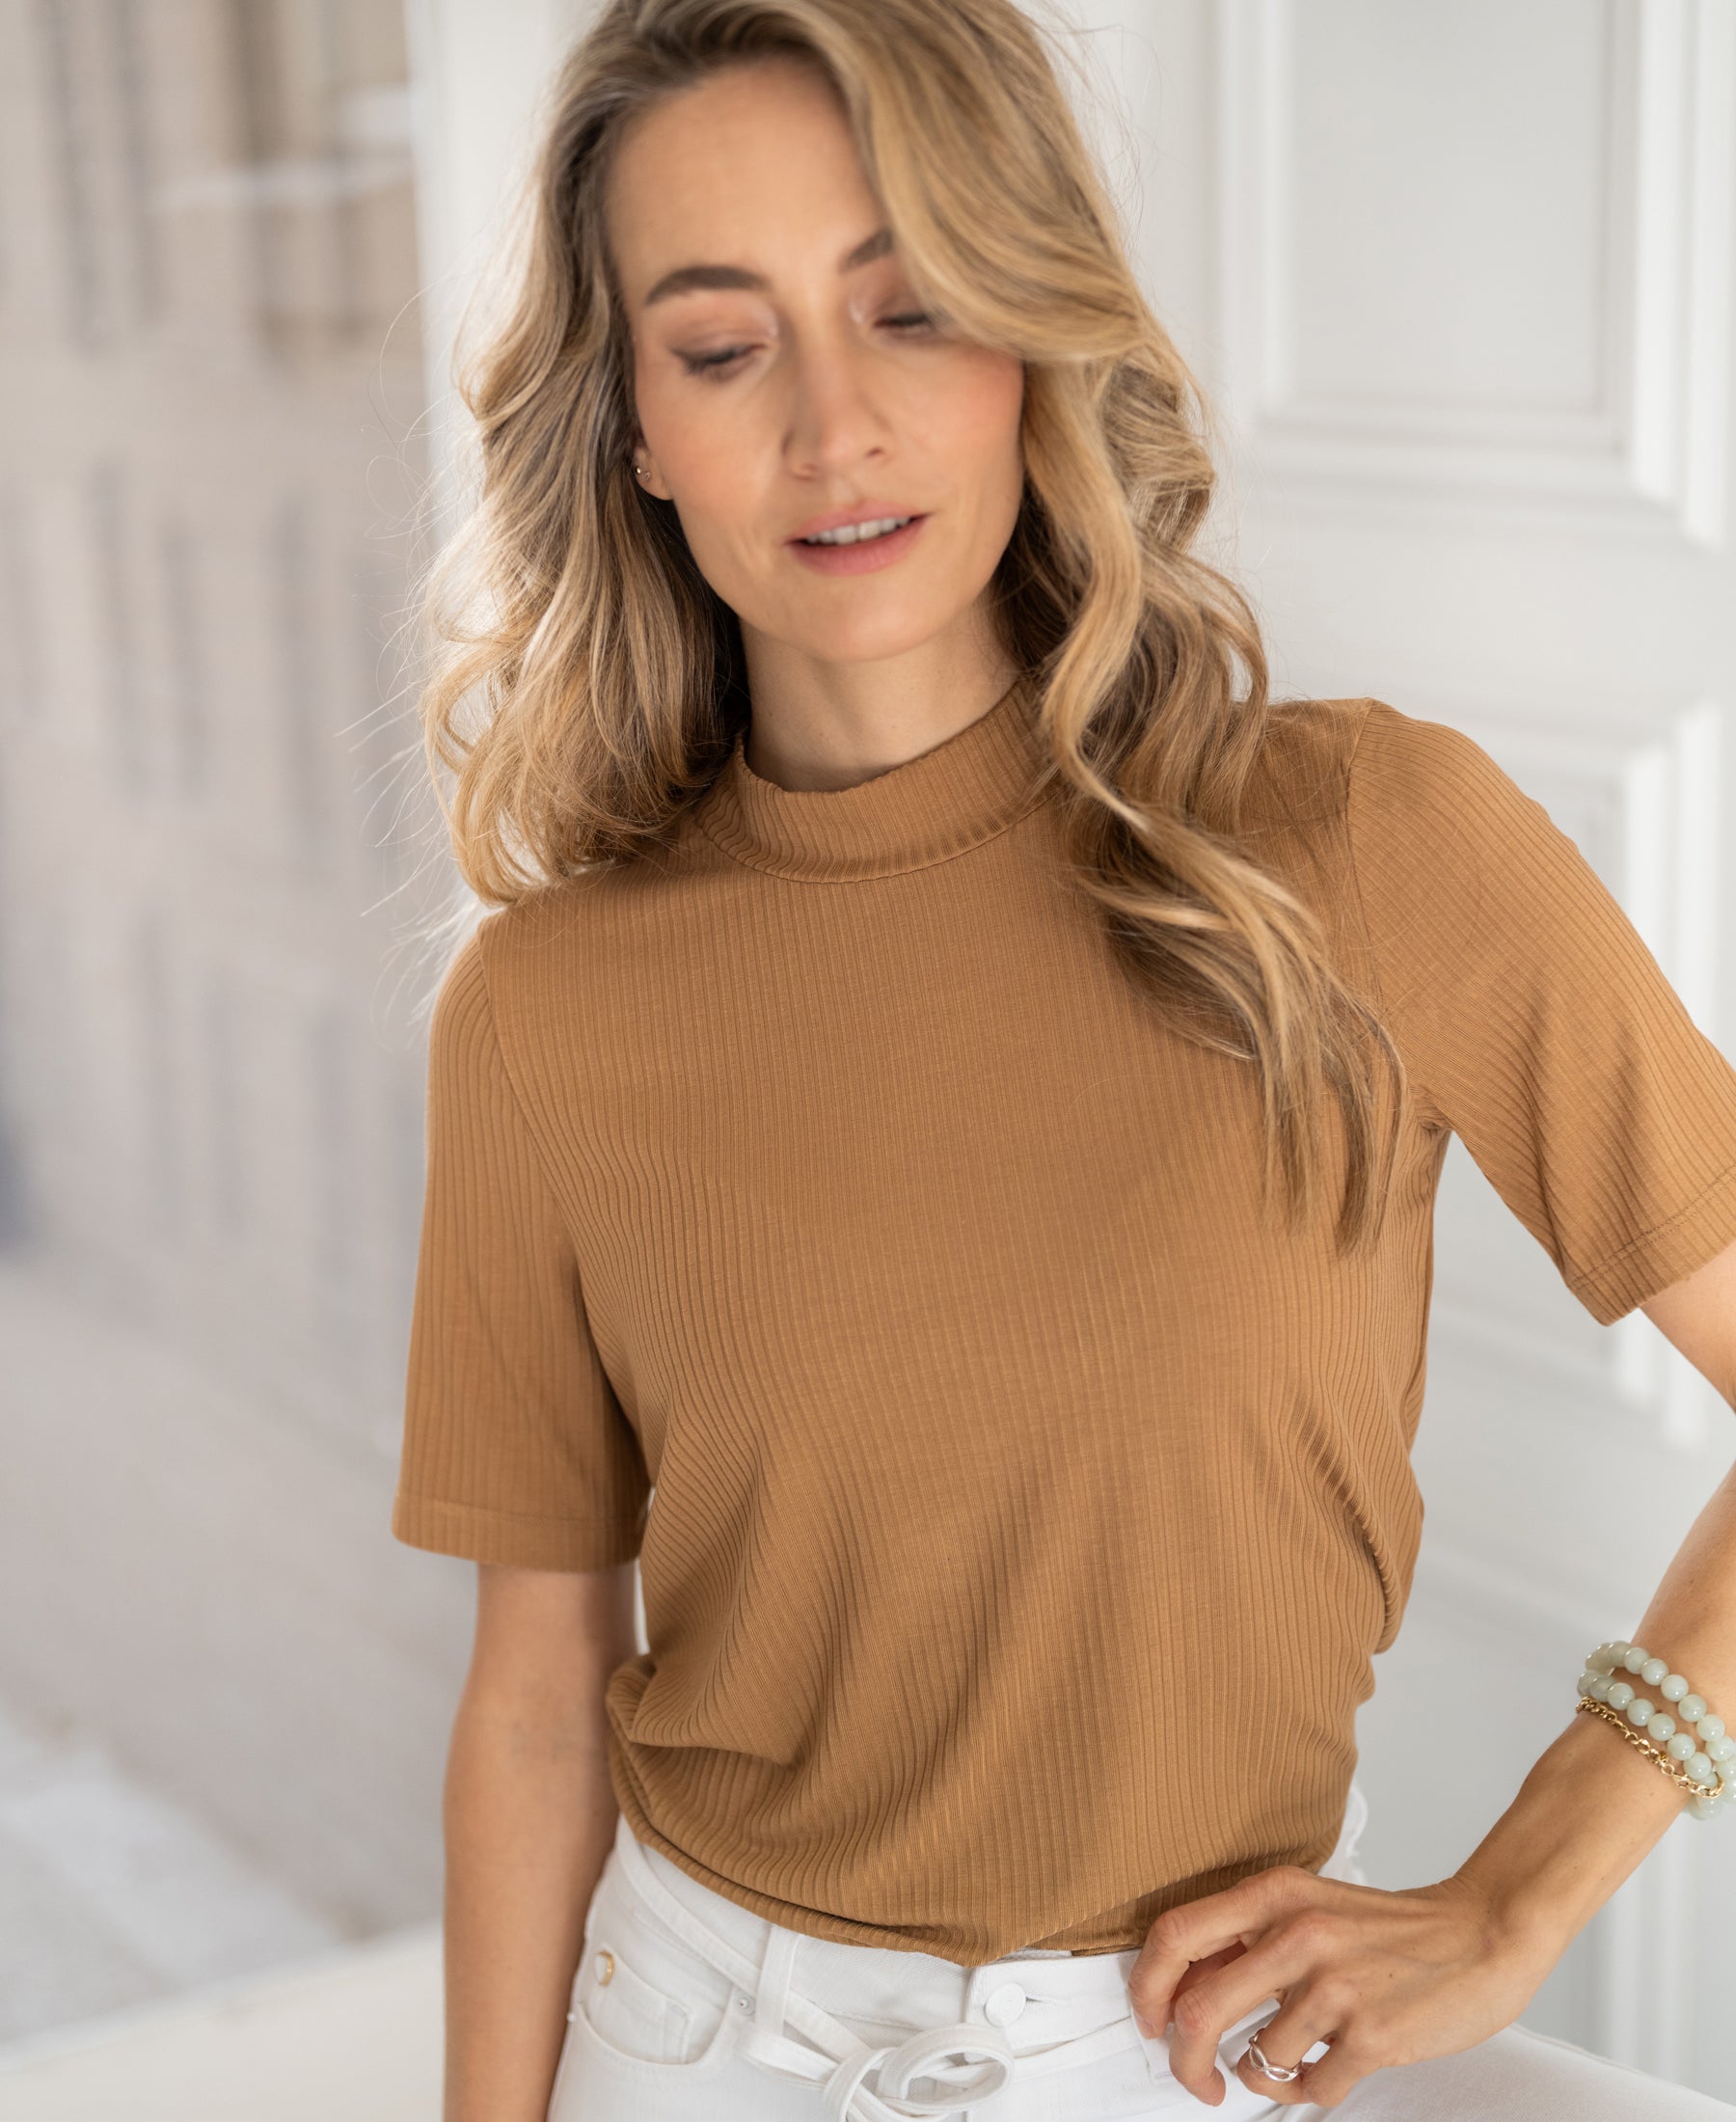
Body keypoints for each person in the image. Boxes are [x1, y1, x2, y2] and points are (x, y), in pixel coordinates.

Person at [389, 2, 1736, 2116]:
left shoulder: (1366, 844)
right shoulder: (543, 1011)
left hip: (1192, 2048)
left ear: (1033, 333)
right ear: (634, 426)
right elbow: (541, 1697)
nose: (835, 427)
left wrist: (1532, 1879)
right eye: (723, 347)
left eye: (910, 306)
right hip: (693, 2038)